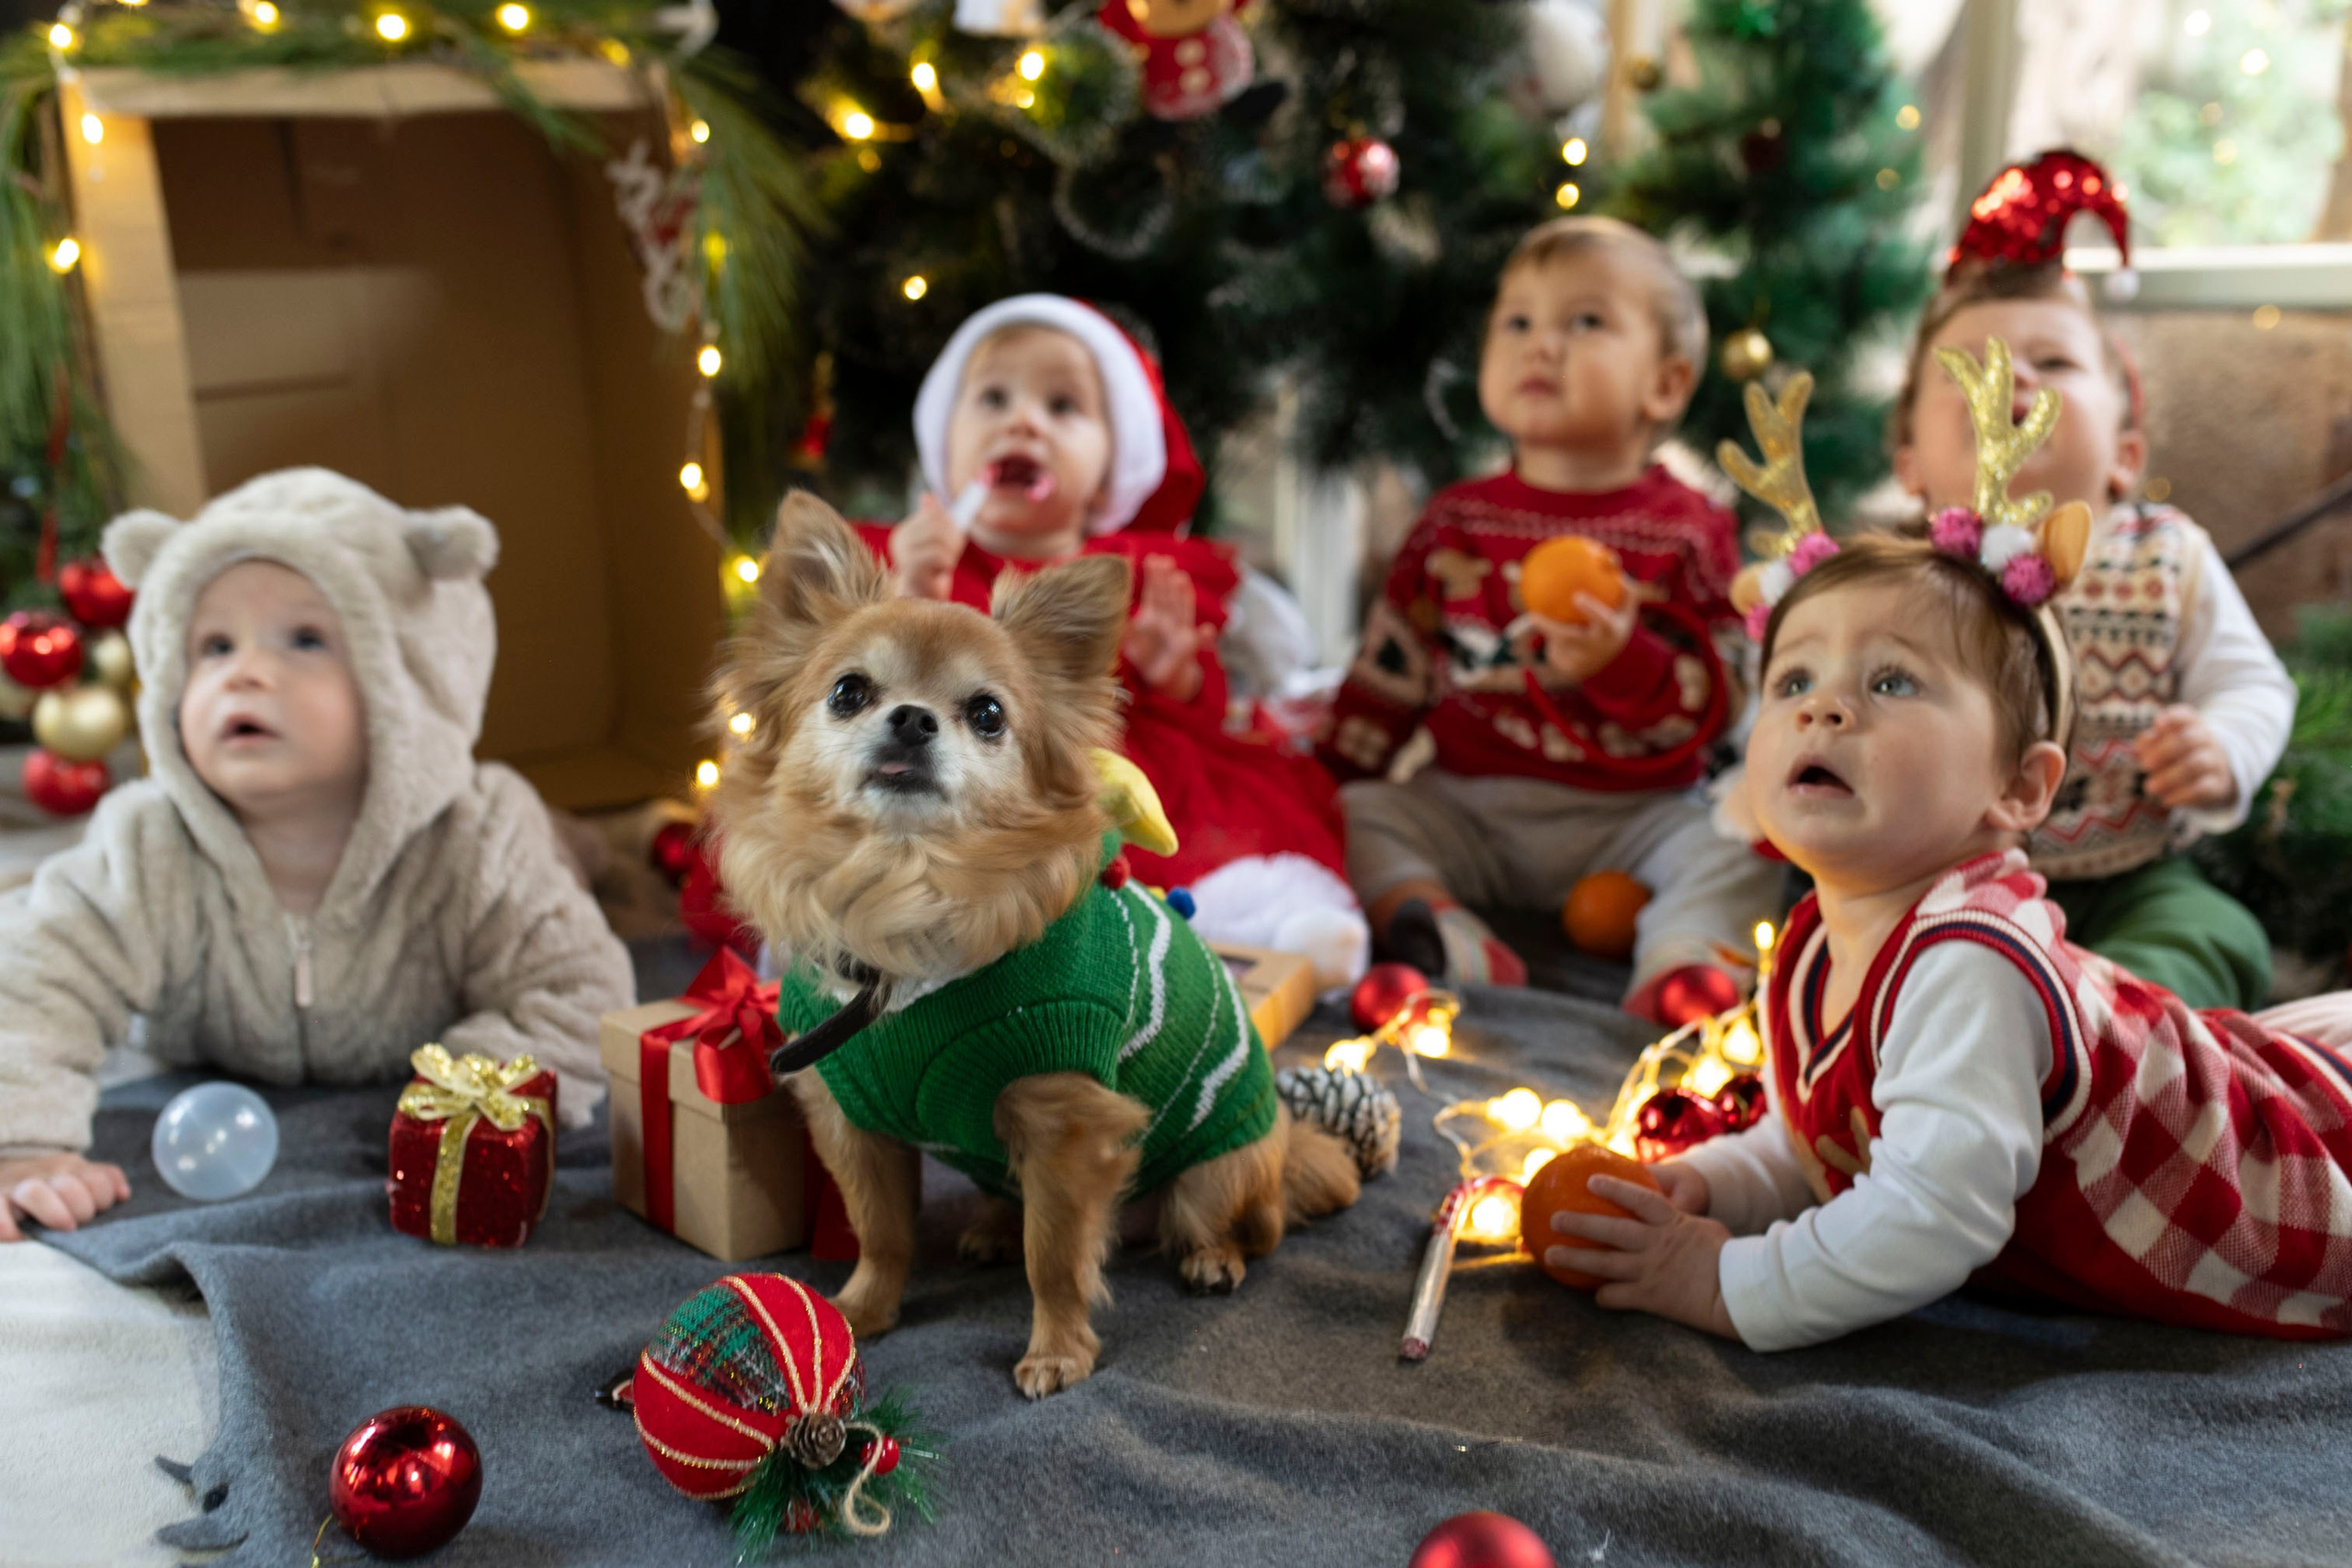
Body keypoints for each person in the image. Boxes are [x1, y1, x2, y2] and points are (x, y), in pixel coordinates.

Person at [1545, 352, 2351, 1347]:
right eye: (1793, 682)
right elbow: (1817, 1150)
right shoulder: (1806, 946)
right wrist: (1701, 1186)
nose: (1825, 707)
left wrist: (1721, 1282)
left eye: (1892, 684)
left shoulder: (1969, 960)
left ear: (2016, 788)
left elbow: (1932, 1217)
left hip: (2283, 1179)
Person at [0, 469, 633, 1240]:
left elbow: (576, 987)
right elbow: (37, 975)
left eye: (305, 639)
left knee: (560, 859)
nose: (247, 669)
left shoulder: (477, 835)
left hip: (474, 884)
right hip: (214, 1050)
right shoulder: (147, 842)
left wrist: (463, 1087)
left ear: (408, 682)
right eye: (214, 645)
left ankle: (593, 843)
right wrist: (24, 1141)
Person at [1320, 216, 1777, 1024]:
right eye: (1517, 321)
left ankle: (1685, 965)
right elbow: (1389, 673)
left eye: (1585, 321)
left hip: (1634, 822)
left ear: (1665, 385)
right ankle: (1441, 926)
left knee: (1739, 843)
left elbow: (1728, 698)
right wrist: (1324, 779)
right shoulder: (1454, 522)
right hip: (1473, 806)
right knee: (1358, 816)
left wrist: (1622, 659)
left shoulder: (1688, 530)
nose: (1541, 344)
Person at [863, 293, 1368, 987]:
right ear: (944, 446)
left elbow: (1204, 712)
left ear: (1112, 463)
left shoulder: (1136, 574)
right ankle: (881, 933)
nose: (1023, 421)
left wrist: (1175, 674)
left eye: (1062, 407)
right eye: (993, 398)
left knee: (1178, 835)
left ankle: (1254, 918)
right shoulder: (913, 562)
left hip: (1111, 769)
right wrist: (910, 588)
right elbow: (869, 681)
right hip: (956, 776)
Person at [1890, 150, 2294, 1010]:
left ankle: (2113, 1034)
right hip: (1931, 879)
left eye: (2054, 364)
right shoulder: (1896, 575)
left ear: (2126, 456)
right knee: (1852, 932)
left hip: (2130, 879)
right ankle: (1950, 1027)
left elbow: (2252, 682)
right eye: (1975, 368)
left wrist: (2222, 748)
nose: (2016, 380)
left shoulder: (2167, 559)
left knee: (2214, 932)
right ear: (1909, 464)